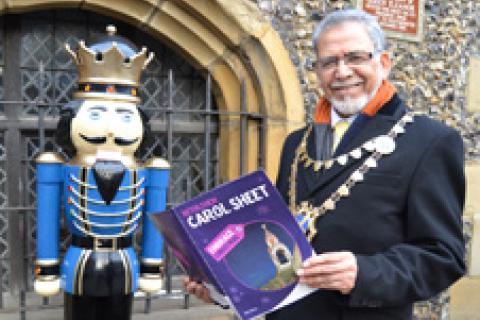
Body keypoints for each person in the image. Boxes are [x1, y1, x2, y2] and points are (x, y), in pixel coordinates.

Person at [185, 9, 465, 320]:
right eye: (328, 62)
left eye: (355, 57)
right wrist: (222, 288)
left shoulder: (429, 140)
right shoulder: (297, 143)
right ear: (317, 72)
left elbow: (443, 256)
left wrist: (364, 272)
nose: (342, 72)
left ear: (383, 63)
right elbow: (281, 236)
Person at [34, 26, 170, 320]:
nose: (110, 128)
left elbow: (154, 219)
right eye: (96, 115)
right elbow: (46, 218)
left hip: (125, 259)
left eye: (123, 116)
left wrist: (151, 266)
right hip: (80, 259)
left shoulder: (152, 171)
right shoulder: (57, 166)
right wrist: (47, 268)